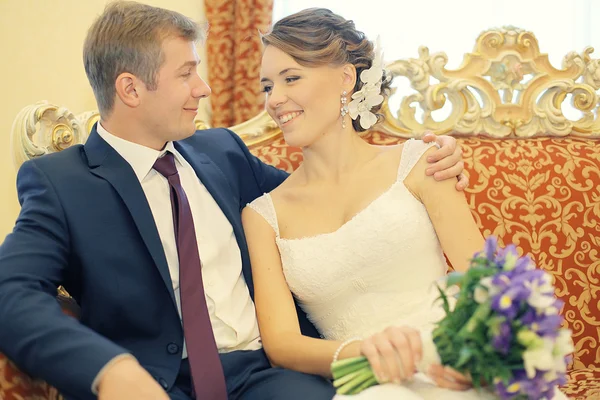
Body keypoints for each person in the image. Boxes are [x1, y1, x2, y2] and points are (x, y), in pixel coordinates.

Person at [0, 2, 467, 400]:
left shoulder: (221, 152)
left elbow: (334, 198)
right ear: (131, 89)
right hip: (158, 385)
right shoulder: (61, 182)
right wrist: (108, 369)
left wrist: (431, 163)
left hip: (266, 378)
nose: (203, 89)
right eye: (186, 74)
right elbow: (11, 292)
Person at [242, 7, 568, 400]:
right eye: (266, 87)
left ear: (346, 78)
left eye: (291, 78)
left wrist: (473, 357)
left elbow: (490, 285)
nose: (275, 99)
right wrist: (366, 354)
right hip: (370, 383)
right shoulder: (263, 216)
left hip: (456, 367)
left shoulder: (421, 163)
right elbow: (282, 345)